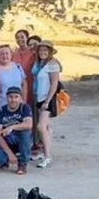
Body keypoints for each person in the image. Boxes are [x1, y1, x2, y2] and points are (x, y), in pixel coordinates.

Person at [32, 40, 61, 169]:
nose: (42, 52)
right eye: (41, 50)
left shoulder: (53, 64)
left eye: (45, 50)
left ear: (50, 52)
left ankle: (48, 156)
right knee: (47, 127)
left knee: (41, 126)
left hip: (47, 99)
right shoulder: (42, 63)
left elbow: (54, 83)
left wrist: (47, 101)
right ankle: (45, 152)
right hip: (40, 98)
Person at [0, 86, 32, 175]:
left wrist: (12, 127)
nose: (13, 100)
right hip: (7, 141)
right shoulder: (0, 111)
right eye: (11, 97)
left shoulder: (24, 108)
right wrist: (9, 153)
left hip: (20, 140)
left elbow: (29, 125)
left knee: (25, 132)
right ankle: (10, 157)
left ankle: (22, 163)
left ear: (20, 98)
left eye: (16, 97)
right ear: (6, 97)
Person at [12, 29, 36, 107]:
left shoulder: (33, 53)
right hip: (18, 85)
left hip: (31, 84)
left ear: (27, 38)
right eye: (17, 38)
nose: (20, 39)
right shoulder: (14, 54)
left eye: (22, 37)